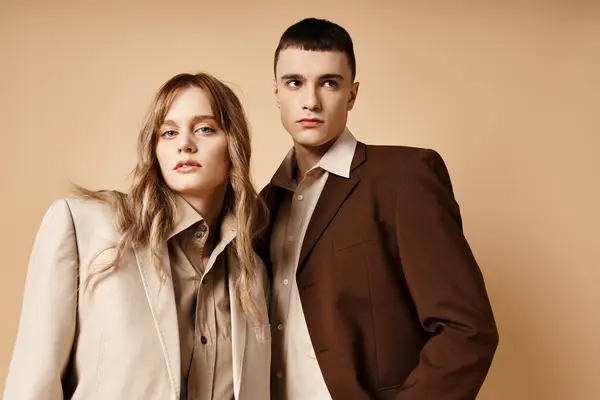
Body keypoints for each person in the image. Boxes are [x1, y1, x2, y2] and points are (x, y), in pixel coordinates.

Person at [257, 17, 499, 400]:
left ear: (351, 95)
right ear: (276, 94)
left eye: (329, 83)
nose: (311, 101)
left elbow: (467, 330)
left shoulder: (404, 178)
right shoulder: (262, 207)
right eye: (294, 83)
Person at [4, 72, 271, 400]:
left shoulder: (253, 274)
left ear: (234, 144)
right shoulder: (84, 227)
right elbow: (33, 384)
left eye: (204, 128)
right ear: (154, 147)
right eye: (169, 132)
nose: (185, 144)